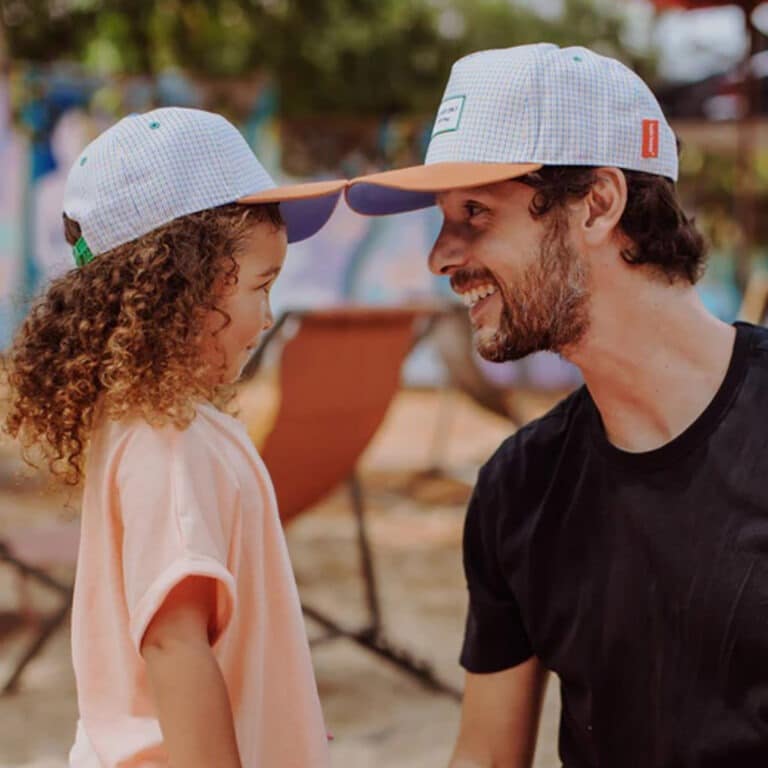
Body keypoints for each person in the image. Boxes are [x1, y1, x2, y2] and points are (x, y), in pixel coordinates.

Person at [346, 43, 768, 767]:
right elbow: (486, 755)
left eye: (474, 212)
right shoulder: (519, 488)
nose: (440, 256)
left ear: (598, 204)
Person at [3, 107, 345, 768]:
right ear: (177, 289)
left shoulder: (156, 421)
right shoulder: (168, 439)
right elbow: (174, 645)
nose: (269, 316)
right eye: (260, 286)